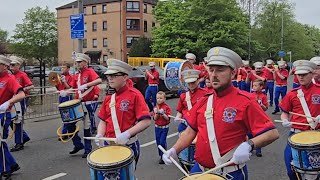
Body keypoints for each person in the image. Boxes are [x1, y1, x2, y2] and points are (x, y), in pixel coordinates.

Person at [162, 47, 279, 179]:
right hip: (199, 170)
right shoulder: (204, 101)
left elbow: (272, 133)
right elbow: (190, 132)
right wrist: (174, 150)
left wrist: (249, 145)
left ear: (233, 73)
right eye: (211, 70)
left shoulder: (246, 101)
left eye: (220, 70)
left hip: (230, 172)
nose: (214, 75)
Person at [96, 59, 151, 178]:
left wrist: (127, 134)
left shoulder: (135, 95)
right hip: (108, 145)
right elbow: (103, 121)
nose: (110, 78)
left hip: (128, 145)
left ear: (125, 77)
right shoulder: (109, 98)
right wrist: (100, 135)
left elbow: (146, 121)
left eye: (114, 75)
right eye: (108, 75)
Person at [279, 60, 320, 180]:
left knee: (316, 171)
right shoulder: (292, 94)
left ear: (312, 74)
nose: (301, 77)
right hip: (297, 134)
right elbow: (285, 112)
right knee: (291, 168)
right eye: (299, 74)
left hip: (316, 134)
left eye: (304, 74)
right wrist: (284, 120)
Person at [68, 53, 102, 158]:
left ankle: (88, 149)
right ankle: (78, 144)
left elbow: (99, 80)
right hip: (78, 103)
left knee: (87, 127)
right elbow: (72, 88)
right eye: (77, 62)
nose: (77, 64)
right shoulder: (77, 75)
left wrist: (87, 85)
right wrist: (64, 91)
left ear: (86, 62)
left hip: (87, 103)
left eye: (80, 62)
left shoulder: (90, 71)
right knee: (70, 124)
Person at [0, 55, 26, 179]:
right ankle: (12, 164)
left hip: (3, 114)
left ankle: (5, 170)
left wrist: (8, 103)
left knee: (0, 142)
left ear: (5, 66)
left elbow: (21, 94)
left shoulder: (10, 79)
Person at [9, 55, 33, 152]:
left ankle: (19, 143)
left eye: (13, 65)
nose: (11, 66)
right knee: (11, 120)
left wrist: (22, 89)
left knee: (17, 121)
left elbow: (31, 86)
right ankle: (24, 137)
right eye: (10, 65)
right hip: (12, 100)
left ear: (18, 65)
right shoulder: (10, 76)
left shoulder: (22, 75)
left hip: (21, 100)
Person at [174, 69, 207, 133]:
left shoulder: (205, 94)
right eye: (189, 83)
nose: (191, 85)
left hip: (199, 125)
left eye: (193, 82)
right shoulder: (183, 96)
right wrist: (178, 117)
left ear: (198, 81)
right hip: (186, 124)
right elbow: (180, 111)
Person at [247, 79, 269, 157]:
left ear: (261, 87)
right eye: (253, 85)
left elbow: (266, 108)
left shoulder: (263, 96)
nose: (254, 87)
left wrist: (261, 104)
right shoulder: (250, 95)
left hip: (259, 118)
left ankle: (258, 150)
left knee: (258, 134)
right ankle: (250, 147)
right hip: (251, 117)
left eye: (256, 85)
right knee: (249, 134)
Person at [56, 63, 74, 141]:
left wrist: (64, 81)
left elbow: (69, 88)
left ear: (68, 69)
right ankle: (69, 131)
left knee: (66, 115)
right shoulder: (60, 76)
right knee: (63, 115)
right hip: (61, 96)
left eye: (64, 68)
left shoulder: (70, 77)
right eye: (62, 68)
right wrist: (56, 82)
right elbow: (58, 87)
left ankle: (64, 133)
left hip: (67, 97)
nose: (62, 69)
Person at [153, 91, 171, 164]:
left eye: (161, 98)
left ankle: (164, 155)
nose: (159, 100)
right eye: (157, 98)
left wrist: (163, 114)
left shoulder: (167, 108)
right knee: (158, 143)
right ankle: (161, 156)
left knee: (162, 142)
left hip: (164, 128)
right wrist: (157, 113)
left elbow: (168, 119)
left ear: (164, 99)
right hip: (157, 127)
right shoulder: (155, 107)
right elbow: (155, 119)